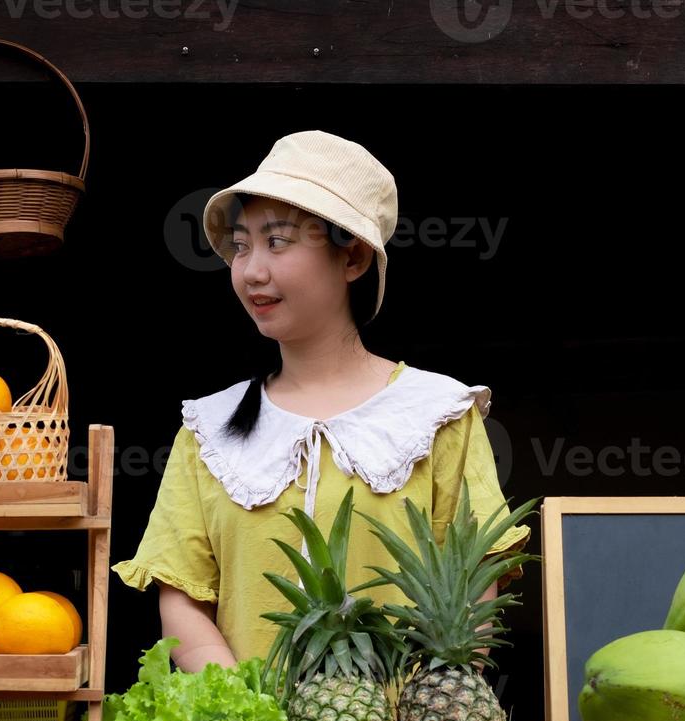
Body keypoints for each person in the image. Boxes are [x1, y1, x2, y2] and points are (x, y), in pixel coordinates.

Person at [111, 130, 527, 672]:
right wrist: (250, 713)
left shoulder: (439, 414)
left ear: (351, 258)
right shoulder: (208, 430)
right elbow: (183, 596)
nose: (251, 270)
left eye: (277, 242)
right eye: (241, 246)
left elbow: (476, 591)